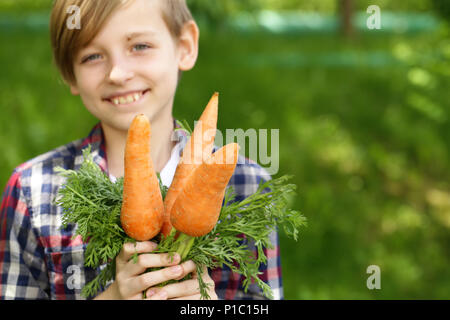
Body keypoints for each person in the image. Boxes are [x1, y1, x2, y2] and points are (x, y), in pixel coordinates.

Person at [0, 0, 282, 300]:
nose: (117, 74)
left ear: (185, 46)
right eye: (93, 55)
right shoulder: (33, 191)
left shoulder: (247, 184)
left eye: (139, 46)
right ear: (70, 74)